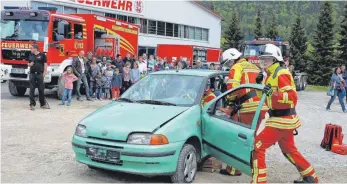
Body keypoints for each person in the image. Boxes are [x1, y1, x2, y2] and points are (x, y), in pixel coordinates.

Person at [253, 44, 318, 183]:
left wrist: (274, 94)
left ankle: (259, 181)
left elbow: (292, 98)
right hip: (281, 119)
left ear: (275, 59)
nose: (264, 61)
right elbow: (265, 98)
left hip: (281, 120)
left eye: (267, 59)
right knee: (289, 149)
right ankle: (310, 177)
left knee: (258, 145)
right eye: (262, 59)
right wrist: (259, 85)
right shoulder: (270, 75)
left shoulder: (281, 73)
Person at [218, 48, 267, 177]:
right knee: (250, 138)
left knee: (237, 139)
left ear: (233, 59)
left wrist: (228, 104)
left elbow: (233, 89)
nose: (229, 66)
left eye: (228, 63)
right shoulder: (254, 67)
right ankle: (252, 164)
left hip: (246, 108)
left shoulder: (237, 67)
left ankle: (234, 170)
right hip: (260, 107)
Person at [28, 44, 49, 110]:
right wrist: (29, 64)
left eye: (32, 48)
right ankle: (32, 104)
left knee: (41, 89)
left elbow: (45, 64)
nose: (31, 49)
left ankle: (42, 104)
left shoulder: (42, 55)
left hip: (40, 74)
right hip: (32, 74)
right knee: (32, 89)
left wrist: (44, 73)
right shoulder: (30, 55)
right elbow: (28, 64)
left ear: (36, 49)